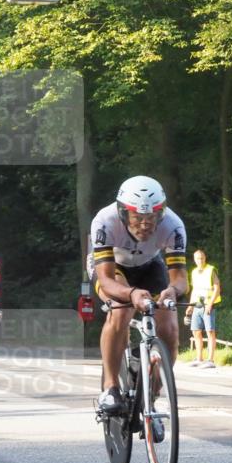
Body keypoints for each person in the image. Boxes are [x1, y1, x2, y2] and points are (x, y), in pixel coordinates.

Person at [88, 176, 188, 414]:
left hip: (149, 265)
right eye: (138, 217)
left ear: (161, 213)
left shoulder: (173, 225)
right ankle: (110, 387)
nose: (146, 224)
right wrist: (131, 294)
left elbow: (180, 277)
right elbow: (106, 279)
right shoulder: (104, 221)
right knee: (120, 311)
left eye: (153, 217)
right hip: (114, 269)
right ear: (123, 213)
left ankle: (152, 393)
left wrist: (172, 291)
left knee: (170, 328)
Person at [185, 249, 221, 367]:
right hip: (197, 305)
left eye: (202, 258)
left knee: (210, 331)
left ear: (205, 258)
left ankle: (210, 360)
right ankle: (199, 358)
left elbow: (217, 288)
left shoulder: (211, 270)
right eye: (198, 258)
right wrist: (190, 306)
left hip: (208, 305)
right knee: (196, 331)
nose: (200, 260)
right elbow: (194, 289)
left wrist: (210, 304)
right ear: (194, 260)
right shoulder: (194, 272)